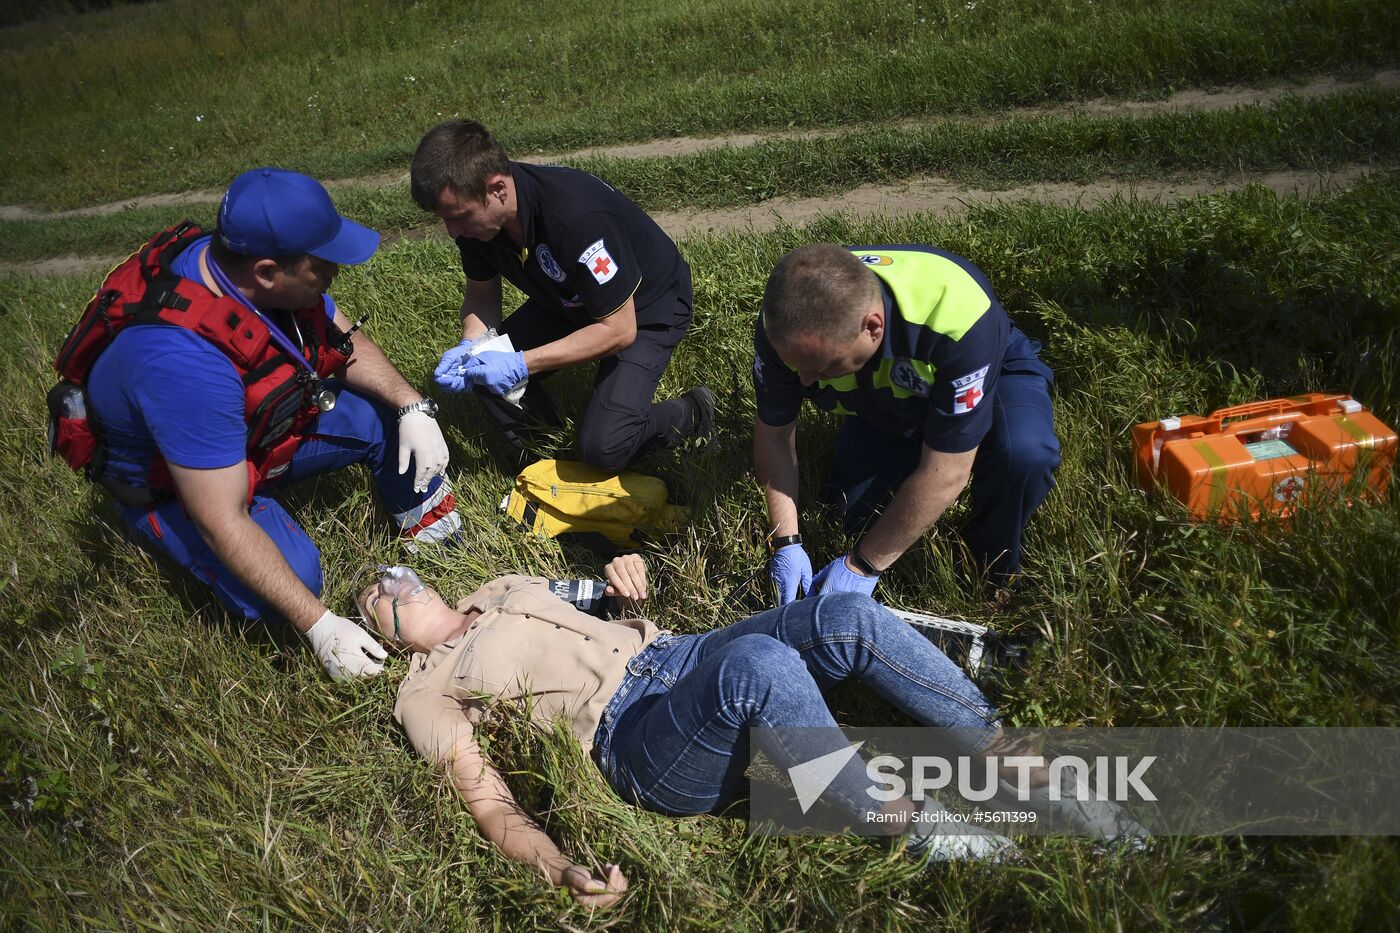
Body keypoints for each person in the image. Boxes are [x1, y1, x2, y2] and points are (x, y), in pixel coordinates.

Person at [364, 556, 1041, 910]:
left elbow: (599, 596)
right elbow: (488, 800)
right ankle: (909, 821)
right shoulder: (424, 690)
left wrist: (621, 581)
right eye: (376, 600)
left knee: (841, 614)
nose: (390, 583)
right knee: (760, 666)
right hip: (634, 739)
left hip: (676, 653)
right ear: (387, 642)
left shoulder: (498, 585)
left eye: (392, 577)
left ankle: (1001, 751)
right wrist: (559, 866)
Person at [84, 168, 460, 680]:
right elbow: (221, 519)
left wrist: (411, 404)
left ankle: (428, 529)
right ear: (266, 272)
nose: (336, 272)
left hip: (250, 432)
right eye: (323, 265)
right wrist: (320, 625)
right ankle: (154, 530)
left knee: (380, 412)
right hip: (177, 483)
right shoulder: (183, 364)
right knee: (295, 581)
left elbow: (339, 336)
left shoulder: (247, 271)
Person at [753, 244, 1060, 602]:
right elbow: (774, 434)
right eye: (798, 366)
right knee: (854, 519)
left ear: (872, 327)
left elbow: (947, 469)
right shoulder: (787, 323)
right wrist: (785, 542)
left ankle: (992, 568)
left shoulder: (957, 315)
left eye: (823, 368)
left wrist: (863, 566)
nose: (804, 381)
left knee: (1024, 454)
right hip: (885, 404)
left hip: (991, 377)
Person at [410, 119, 714, 471]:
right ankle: (550, 459)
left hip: (644, 310)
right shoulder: (477, 225)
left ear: (497, 189)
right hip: (566, 301)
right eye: (445, 220)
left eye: (459, 217)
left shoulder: (575, 216)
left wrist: (520, 364)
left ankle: (692, 412)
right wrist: (473, 347)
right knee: (483, 371)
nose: (452, 231)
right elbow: (481, 296)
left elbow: (619, 330)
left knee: (604, 447)